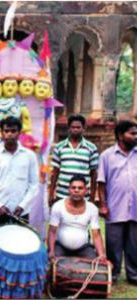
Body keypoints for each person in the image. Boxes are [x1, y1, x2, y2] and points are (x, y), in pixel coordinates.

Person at [98, 120, 137, 285]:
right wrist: (103, 204)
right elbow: (101, 182)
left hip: (135, 207)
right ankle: (112, 274)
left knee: (134, 245)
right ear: (121, 135)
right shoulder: (107, 156)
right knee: (113, 244)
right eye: (132, 133)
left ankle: (133, 275)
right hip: (115, 207)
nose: (136, 136)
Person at [0, 116, 39, 228]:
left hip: (21, 212)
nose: (9, 134)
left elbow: (33, 185)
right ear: (2, 133)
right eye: (6, 131)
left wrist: (22, 206)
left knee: (20, 244)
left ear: (19, 133)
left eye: (13, 131)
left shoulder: (29, 156)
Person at [48, 175, 105, 260]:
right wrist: (51, 251)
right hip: (60, 246)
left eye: (80, 188)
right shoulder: (58, 206)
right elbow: (52, 231)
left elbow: (96, 235)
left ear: (86, 190)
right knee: (53, 265)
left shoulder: (92, 208)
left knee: (94, 264)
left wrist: (101, 254)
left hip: (84, 248)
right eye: (73, 188)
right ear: (69, 190)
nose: (76, 190)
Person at [49, 114, 99, 206]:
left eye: (78, 127)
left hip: (83, 196)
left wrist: (92, 197)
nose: (75, 129)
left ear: (83, 128)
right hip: (62, 195)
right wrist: (51, 193)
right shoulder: (59, 147)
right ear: (69, 128)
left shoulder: (91, 148)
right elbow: (55, 172)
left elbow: (94, 174)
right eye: (73, 127)